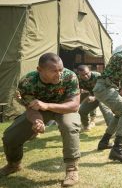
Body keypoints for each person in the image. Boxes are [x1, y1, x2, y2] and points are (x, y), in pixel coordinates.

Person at [0, 53, 81, 186]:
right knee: (10, 136)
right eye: (54, 71)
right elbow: (31, 108)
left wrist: (47, 105)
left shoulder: (70, 76)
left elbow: (74, 105)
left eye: (61, 69)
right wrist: (37, 121)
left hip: (64, 108)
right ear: (40, 70)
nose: (59, 74)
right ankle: (13, 164)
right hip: (39, 110)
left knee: (69, 126)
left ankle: (72, 169)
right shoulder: (27, 82)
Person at [77, 65, 114, 131]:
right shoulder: (78, 79)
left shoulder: (97, 76)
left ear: (90, 71)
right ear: (79, 74)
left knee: (105, 109)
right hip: (93, 96)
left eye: (87, 73)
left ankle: (112, 129)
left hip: (104, 96)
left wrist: (94, 97)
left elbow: (105, 90)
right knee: (82, 110)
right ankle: (85, 125)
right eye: (82, 75)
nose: (85, 76)